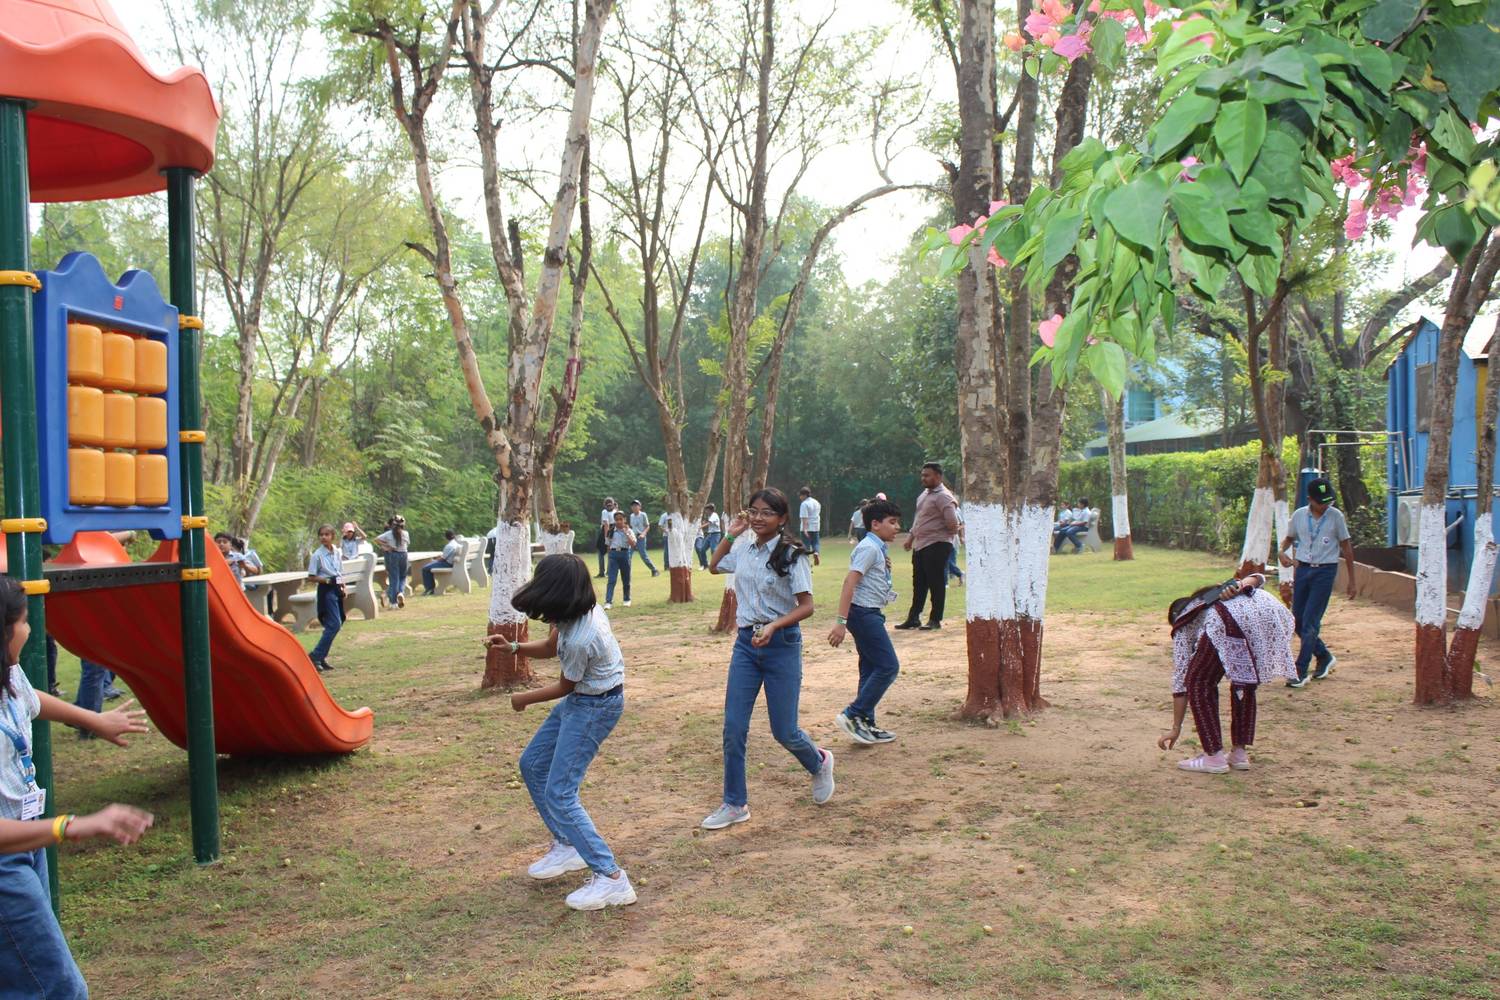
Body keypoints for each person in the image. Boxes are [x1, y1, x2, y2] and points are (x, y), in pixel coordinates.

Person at [0, 575, 153, 1000]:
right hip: (5, 864)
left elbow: (31, 699)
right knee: (57, 988)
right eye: (25, 621)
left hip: (27, 848)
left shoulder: (9, 677)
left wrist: (95, 719)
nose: (30, 631)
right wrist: (72, 826)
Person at [482, 554, 635, 911]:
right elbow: (552, 647)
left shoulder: (585, 635)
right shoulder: (575, 611)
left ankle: (612, 878)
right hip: (583, 700)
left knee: (561, 793)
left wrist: (523, 699)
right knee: (533, 764)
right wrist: (515, 648)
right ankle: (567, 845)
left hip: (595, 706)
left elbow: (565, 686)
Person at [701, 488, 834, 831]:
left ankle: (818, 762)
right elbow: (714, 565)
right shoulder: (743, 548)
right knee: (733, 728)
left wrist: (774, 625)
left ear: (782, 519)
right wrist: (730, 534)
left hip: (782, 644)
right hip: (746, 645)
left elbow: (807, 606)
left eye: (767, 513)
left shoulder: (793, 554)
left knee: (784, 730)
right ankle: (734, 803)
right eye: (754, 511)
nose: (758, 518)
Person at [1158, 572, 1296, 773]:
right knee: (1244, 682)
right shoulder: (1213, 596)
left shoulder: (1184, 622)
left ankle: (1213, 758)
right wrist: (1240, 584)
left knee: (1198, 682)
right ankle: (1239, 754)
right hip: (1267, 614)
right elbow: (1258, 578)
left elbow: (1181, 682)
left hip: (1231, 620)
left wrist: (1175, 728)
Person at [828, 498, 903, 745]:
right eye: (892, 522)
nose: (897, 527)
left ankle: (865, 723)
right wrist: (840, 622)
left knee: (870, 668)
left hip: (869, 613)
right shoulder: (869, 548)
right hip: (863, 614)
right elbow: (849, 583)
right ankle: (853, 713)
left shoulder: (876, 547)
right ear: (875, 524)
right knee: (888, 666)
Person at [1278, 477, 1357, 688]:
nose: (1326, 505)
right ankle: (1323, 656)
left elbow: (1347, 547)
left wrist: (1352, 580)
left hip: (1325, 572)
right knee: (1298, 621)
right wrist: (1281, 552)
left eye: (1328, 501)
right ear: (1310, 499)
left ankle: (1300, 671)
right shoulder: (1298, 516)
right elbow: (1288, 538)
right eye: (1321, 501)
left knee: (1311, 622)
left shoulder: (1336, 517)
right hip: (1302, 570)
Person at [896, 464, 960, 631]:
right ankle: (913, 618)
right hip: (921, 545)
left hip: (937, 544)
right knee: (919, 583)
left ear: (938, 476)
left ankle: (935, 619)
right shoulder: (924, 494)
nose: (923, 478)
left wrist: (945, 537)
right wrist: (910, 538)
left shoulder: (944, 497)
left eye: (927, 475)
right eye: (922, 475)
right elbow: (919, 520)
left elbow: (953, 523)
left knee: (936, 582)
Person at [307, 524, 345, 672]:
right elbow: (311, 576)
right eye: (321, 535)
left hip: (336, 588)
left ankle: (321, 657)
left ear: (332, 536)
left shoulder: (336, 552)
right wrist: (327, 581)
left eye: (326, 534)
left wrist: (343, 587)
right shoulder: (317, 555)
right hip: (326, 589)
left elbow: (340, 571)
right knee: (334, 624)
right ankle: (315, 656)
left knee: (336, 623)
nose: (324, 537)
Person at [375, 515, 409, 609]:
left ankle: (393, 602)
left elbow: (376, 539)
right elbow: (407, 544)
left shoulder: (388, 534)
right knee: (403, 577)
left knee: (394, 578)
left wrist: (387, 545)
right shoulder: (405, 533)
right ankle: (401, 592)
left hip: (393, 555)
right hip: (404, 555)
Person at [603, 511, 636, 610]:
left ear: (624, 520)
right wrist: (610, 556)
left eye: (621, 519)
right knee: (611, 579)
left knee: (626, 579)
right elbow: (608, 544)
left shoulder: (629, 531)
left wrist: (626, 533)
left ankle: (626, 599)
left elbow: (633, 544)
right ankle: (608, 601)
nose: (619, 521)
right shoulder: (611, 531)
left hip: (625, 554)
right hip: (613, 555)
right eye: (616, 519)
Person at [422, 530, 465, 595]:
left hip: (448, 564)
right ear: (454, 536)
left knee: (425, 568)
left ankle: (429, 589)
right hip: (454, 563)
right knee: (429, 566)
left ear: (445, 537)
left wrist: (434, 561)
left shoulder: (449, 546)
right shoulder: (457, 544)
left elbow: (442, 559)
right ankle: (430, 588)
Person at [627, 500, 659, 577]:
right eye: (633, 506)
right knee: (628, 555)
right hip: (633, 538)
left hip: (641, 537)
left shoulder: (643, 515)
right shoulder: (631, 516)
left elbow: (647, 526)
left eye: (636, 505)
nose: (634, 507)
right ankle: (627, 573)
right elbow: (632, 527)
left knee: (643, 555)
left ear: (640, 507)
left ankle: (654, 570)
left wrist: (643, 534)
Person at [798, 487, 823, 566]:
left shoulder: (804, 504)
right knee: (816, 543)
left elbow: (804, 517)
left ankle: (807, 563)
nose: (800, 497)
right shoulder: (816, 502)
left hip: (807, 527)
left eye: (801, 495)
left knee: (806, 546)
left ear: (804, 495)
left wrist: (805, 529)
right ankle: (816, 552)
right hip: (816, 527)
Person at [595, 498, 618, 578]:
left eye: (610, 504)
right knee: (610, 552)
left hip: (607, 532)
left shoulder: (604, 512)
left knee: (601, 552)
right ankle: (608, 572)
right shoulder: (615, 511)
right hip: (613, 531)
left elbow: (606, 525)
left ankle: (602, 572)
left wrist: (606, 537)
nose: (609, 505)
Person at [695, 504, 722, 570]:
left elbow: (709, 523)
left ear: (710, 510)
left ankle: (716, 564)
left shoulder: (714, 515)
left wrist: (699, 527)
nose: (705, 511)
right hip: (710, 534)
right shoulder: (710, 516)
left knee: (713, 549)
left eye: (706, 510)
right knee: (702, 549)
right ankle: (705, 565)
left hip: (715, 534)